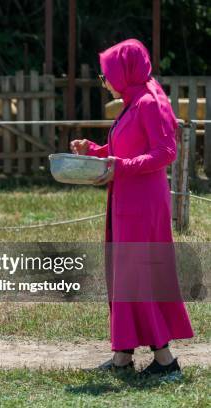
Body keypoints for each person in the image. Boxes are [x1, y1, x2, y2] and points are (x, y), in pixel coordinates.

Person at [70, 39, 194, 376]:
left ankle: (166, 362)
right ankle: (123, 357)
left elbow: (166, 152)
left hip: (142, 203)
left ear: (125, 72)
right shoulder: (135, 99)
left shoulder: (149, 102)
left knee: (138, 274)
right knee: (125, 274)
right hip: (128, 198)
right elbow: (124, 148)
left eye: (106, 74)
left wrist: (119, 165)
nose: (105, 80)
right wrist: (95, 150)